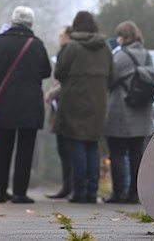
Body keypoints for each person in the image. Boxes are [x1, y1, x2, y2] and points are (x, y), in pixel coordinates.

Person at [0, 6, 51, 203]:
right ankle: (20, 192)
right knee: (25, 150)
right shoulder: (36, 45)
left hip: (4, 102)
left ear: (12, 20)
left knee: (3, 148)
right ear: (31, 23)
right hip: (30, 105)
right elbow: (46, 71)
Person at [54, 11, 113, 204]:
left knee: (77, 143)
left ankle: (79, 191)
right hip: (98, 102)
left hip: (74, 101)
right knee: (92, 144)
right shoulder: (105, 47)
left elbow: (59, 73)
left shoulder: (71, 47)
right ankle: (91, 190)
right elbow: (113, 76)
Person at [104, 21, 154, 204]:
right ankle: (134, 193)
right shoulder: (146, 54)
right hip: (141, 112)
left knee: (117, 153)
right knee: (136, 154)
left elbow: (110, 78)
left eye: (118, 35)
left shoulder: (122, 56)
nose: (117, 39)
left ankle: (118, 194)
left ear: (123, 37)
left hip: (121, 112)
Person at [45, 26, 73, 199]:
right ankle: (67, 185)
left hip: (67, 110)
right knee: (63, 149)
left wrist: (51, 93)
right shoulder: (65, 52)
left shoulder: (71, 53)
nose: (58, 37)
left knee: (68, 150)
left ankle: (70, 186)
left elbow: (66, 80)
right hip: (59, 109)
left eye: (61, 34)